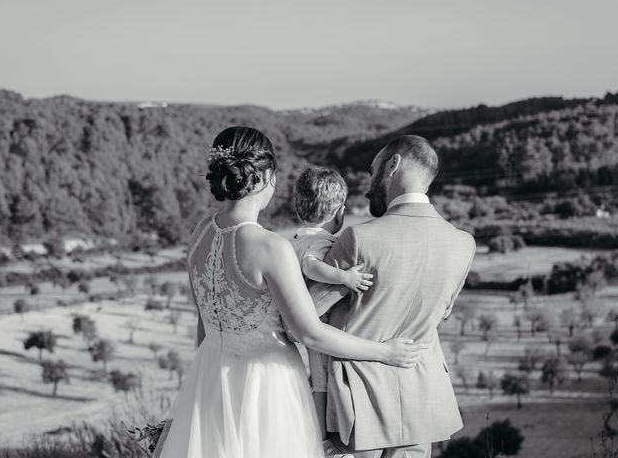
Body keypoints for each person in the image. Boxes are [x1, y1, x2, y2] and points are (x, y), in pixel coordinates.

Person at [152, 126, 424, 458]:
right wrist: (384, 352)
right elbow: (309, 332)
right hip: (268, 384)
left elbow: (203, 319)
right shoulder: (269, 246)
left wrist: (207, 375)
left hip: (210, 373)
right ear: (265, 176)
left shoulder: (200, 233)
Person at [312, 135, 477, 458]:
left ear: (393, 165)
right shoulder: (463, 244)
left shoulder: (359, 238)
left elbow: (306, 315)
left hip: (359, 410)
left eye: (373, 171)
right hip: (420, 407)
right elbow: (440, 314)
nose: (369, 184)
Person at [289, 167, 374, 457]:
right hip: (316, 322)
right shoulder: (320, 243)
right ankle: (322, 439)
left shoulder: (295, 238)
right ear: (339, 212)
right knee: (321, 381)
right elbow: (311, 266)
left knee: (318, 379)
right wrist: (344, 278)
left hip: (299, 318)